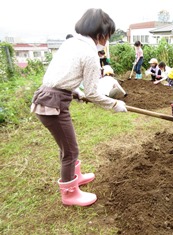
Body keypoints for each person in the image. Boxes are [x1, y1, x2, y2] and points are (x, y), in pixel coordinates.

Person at [30, 8, 127, 207]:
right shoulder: (90, 54)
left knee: (67, 147)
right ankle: (70, 193)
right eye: (108, 36)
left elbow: (61, 77)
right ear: (101, 34)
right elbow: (93, 92)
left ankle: (76, 175)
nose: (107, 40)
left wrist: (77, 92)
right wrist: (115, 104)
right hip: (53, 106)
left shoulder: (70, 43)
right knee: (70, 151)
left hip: (48, 97)